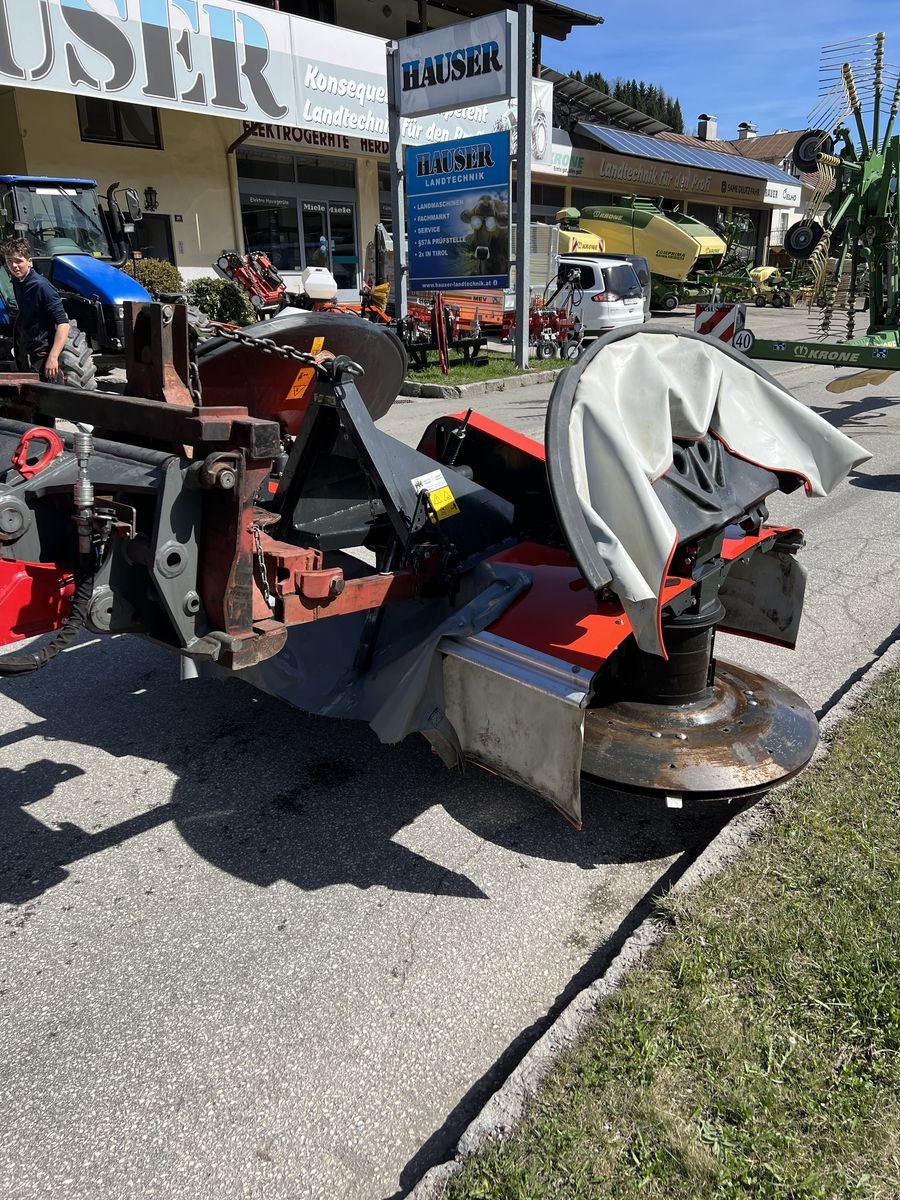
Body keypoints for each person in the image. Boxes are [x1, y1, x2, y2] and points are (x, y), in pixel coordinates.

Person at [1, 237, 70, 382]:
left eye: (18, 261)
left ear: (29, 261)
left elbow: (63, 324)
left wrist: (53, 357)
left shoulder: (41, 286)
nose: (14, 266)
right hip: (28, 352)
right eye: (9, 261)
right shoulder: (17, 281)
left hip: (44, 356)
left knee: (49, 400)